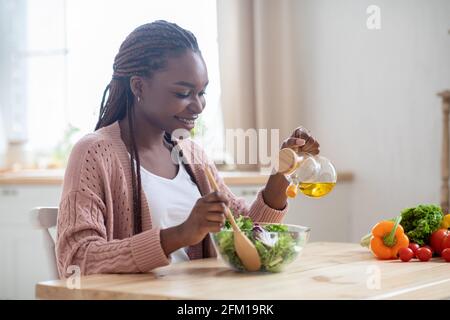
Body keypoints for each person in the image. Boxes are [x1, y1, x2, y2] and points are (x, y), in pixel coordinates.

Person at [56, 20, 320, 278]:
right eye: (183, 93)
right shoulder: (94, 153)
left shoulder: (192, 155)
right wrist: (180, 234)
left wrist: (281, 173)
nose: (198, 106)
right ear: (139, 86)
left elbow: (249, 238)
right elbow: (77, 259)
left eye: (202, 92)